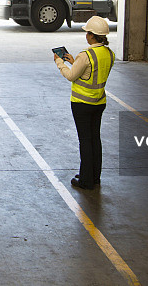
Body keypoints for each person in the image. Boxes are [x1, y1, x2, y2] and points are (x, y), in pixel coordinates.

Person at [53, 15, 115, 190]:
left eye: (87, 32)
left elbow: (71, 76)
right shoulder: (109, 54)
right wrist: (75, 62)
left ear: (92, 35)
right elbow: (92, 72)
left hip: (82, 103)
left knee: (85, 141)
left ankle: (85, 181)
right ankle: (94, 176)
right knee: (95, 139)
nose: (86, 35)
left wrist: (60, 62)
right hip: (99, 102)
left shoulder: (86, 55)